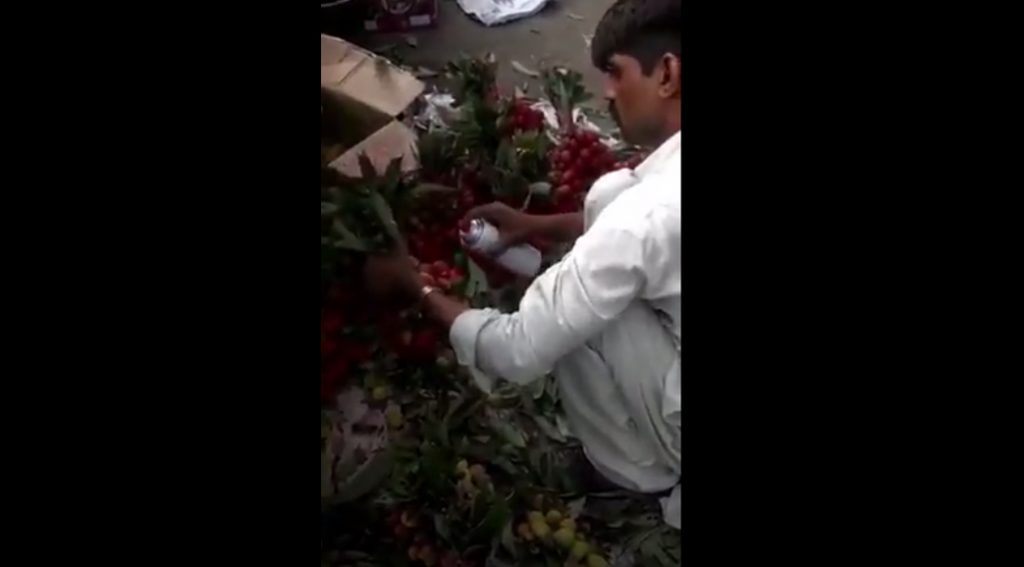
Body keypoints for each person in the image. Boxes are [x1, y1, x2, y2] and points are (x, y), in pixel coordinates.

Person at [366, 0, 682, 529]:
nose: (606, 92)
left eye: (615, 73)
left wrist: (416, 289)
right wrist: (538, 226)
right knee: (610, 195)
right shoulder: (652, 201)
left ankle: (639, 475)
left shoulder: (643, 218)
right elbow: (649, 233)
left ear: (668, 73)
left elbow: (516, 350)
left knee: (578, 315)